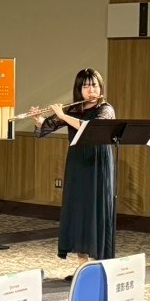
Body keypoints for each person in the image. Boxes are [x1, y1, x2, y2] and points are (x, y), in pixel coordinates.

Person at [28, 68, 116, 272]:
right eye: (86, 86)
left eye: (94, 85)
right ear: (79, 89)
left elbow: (90, 127)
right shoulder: (74, 109)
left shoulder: (106, 109)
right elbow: (46, 129)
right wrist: (38, 120)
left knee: (96, 208)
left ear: (100, 87)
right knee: (77, 208)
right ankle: (82, 266)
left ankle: (100, 266)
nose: (91, 90)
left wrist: (62, 115)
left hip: (98, 162)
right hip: (77, 161)